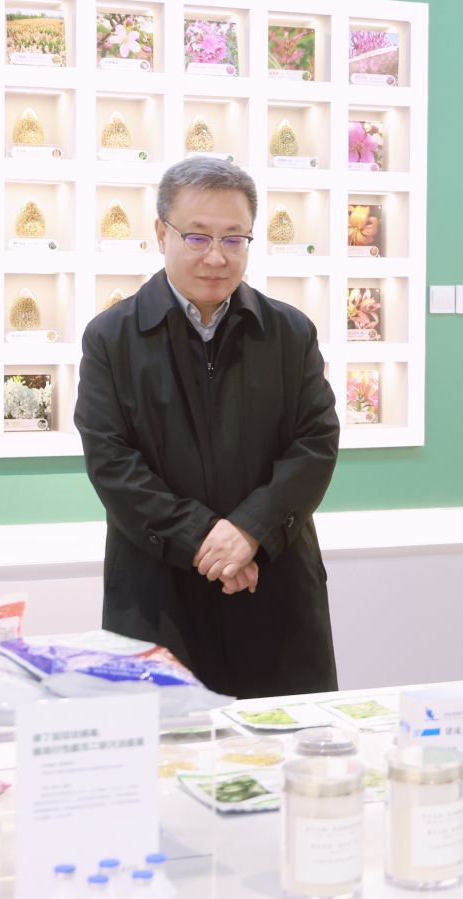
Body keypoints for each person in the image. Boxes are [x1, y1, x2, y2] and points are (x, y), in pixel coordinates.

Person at [76, 156, 341, 698]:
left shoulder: (290, 333)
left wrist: (249, 532)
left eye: (234, 239)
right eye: (197, 237)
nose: (216, 257)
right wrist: (205, 540)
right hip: (159, 592)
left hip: (273, 585)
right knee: (168, 742)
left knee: (283, 740)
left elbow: (315, 445)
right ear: (161, 233)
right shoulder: (111, 338)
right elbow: (113, 463)